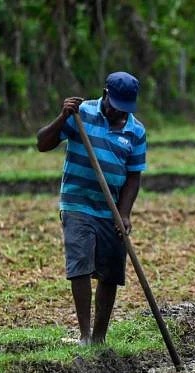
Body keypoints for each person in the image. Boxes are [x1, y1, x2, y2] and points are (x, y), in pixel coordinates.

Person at [36, 72, 146, 345]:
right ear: (105, 94)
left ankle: (99, 338)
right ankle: (84, 335)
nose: (118, 113)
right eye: (114, 105)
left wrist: (124, 213)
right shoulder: (80, 114)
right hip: (77, 204)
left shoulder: (136, 131)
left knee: (110, 273)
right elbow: (42, 143)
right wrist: (63, 116)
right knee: (81, 266)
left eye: (124, 109)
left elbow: (134, 176)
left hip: (110, 211)